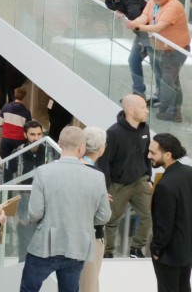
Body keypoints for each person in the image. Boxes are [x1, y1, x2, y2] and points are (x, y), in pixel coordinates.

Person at [20, 126, 112, 292]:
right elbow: (104, 215)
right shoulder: (97, 177)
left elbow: (35, 213)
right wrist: (84, 219)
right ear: (82, 147)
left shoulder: (43, 172)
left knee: (29, 288)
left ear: (60, 144)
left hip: (45, 243)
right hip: (77, 245)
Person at [97, 94, 153, 258]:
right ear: (130, 110)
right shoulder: (113, 133)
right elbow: (104, 162)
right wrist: (105, 188)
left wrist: (148, 177)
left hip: (140, 181)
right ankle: (107, 252)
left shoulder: (145, 129)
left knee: (149, 215)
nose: (147, 111)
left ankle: (136, 249)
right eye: (143, 107)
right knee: (111, 220)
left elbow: (147, 155)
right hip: (118, 184)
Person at [128, 0, 190, 123]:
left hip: (174, 51)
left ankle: (173, 113)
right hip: (160, 48)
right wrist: (135, 22)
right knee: (165, 79)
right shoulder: (153, 1)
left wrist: (138, 27)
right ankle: (167, 107)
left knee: (170, 81)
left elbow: (158, 27)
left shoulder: (173, 6)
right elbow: (145, 16)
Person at [148, 133, 192, 292]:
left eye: (153, 153)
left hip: (169, 253)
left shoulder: (165, 185)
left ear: (167, 155)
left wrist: (156, 249)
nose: (149, 156)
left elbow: (164, 224)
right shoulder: (188, 172)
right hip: (187, 249)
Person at [102, 0, 151, 98]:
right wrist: (121, 9)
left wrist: (123, 13)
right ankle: (138, 93)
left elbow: (135, 17)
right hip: (142, 34)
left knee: (157, 67)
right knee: (134, 60)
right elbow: (108, 3)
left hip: (151, 35)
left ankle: (164, 101)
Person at [78, 126, 109, 292]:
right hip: (91, 235)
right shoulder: (96, 175)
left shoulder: (68, 167)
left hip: (68, 234)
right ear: (101, 149)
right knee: (89, 284)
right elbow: (104, 215)